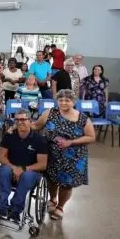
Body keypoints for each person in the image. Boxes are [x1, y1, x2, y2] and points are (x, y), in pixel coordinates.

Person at [30, 89, 95, 220]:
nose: (63, 103)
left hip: (73, 157)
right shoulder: (50, 112)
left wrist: (70, 142)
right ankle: (53, 198)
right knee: (51, 179)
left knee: (67, 184)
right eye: (60, 100)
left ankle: (60, 207)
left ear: (73, 102)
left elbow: (91, 137)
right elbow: (36, 125)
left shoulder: (82, 118)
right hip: (52, 154)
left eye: (67, 100)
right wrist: (20, 125)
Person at [0, 109, 48, 221]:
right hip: (11, 168)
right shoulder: (9, 136)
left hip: (30, 172)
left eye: (24, 119)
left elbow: (43, 164)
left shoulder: (39, 140)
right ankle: (2, 208)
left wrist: (23, 169)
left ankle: (15, 210)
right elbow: (1, 157)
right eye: (17, 120)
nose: (20, 122)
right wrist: (14, 168)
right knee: (3, 170)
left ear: (30, 121)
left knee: (27, 176)